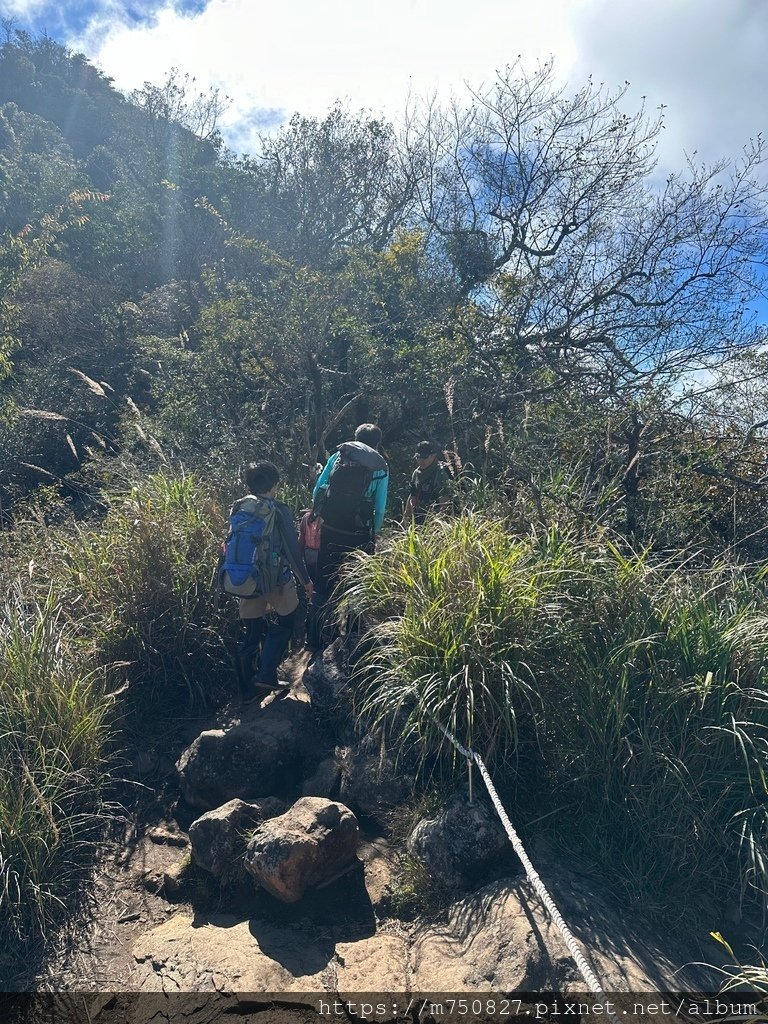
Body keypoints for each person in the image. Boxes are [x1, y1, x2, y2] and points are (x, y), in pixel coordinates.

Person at [222, 461, 313, 703]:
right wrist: (305, 581)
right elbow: (292, 551)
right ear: (273, 485)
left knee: (251, 632)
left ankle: (246, 691)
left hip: (245, 579)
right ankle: (266, 674)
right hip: (276, 580)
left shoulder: (239, 507)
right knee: (287, 619)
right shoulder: (278, 509)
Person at [308, 423, 388, 646]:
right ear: (377, 443)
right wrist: (375, 532)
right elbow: (379, 507)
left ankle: (314, 638)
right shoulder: (380, 466)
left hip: (332, 527)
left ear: (355, 437)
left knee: (324, 580)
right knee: (356, 581)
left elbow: (319, 488)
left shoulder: (338, 456)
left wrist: (321, 515)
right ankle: (352, 636)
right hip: (359, 532)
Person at [402, 441, 453, 524]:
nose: (421, 461)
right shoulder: (416, 473)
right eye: (418, 457)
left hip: (435, 521)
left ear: (433, 456)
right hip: (419, 519)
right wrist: (405, 519)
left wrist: (438, 524)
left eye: (424, 458)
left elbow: (444, 503)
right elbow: (412, 496)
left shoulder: (440, 473)